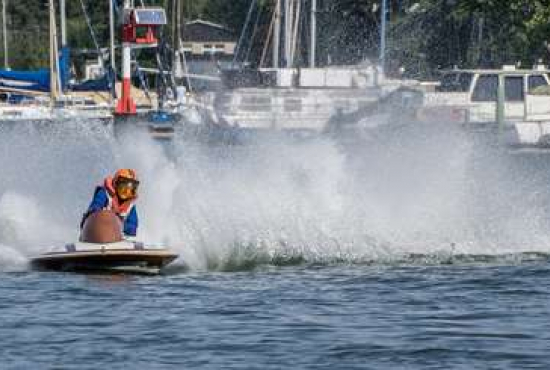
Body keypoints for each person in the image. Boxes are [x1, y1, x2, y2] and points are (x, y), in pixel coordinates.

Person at [81, 169, 140, 237]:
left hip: (117, 240)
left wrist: (119, 225)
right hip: (94, 236)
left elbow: (133, 227)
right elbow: (95, 206)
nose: (126, 191)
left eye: (130, 189)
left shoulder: (131, 207)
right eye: (123, 186)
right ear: (115, 183)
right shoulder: (105, 194)